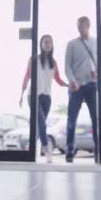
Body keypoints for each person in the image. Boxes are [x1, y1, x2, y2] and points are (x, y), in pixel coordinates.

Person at [20, 34, 68, 163]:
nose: (47, 44)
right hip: (33, 96)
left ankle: (29, 146)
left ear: (52, 45)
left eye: (49, 42)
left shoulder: (54, 62)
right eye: (45, 42)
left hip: (47, 98)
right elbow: (26, 76)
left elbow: (57, 79)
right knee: (42, 123)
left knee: (38, 126)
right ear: (41, 44)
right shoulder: (34, 59)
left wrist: (68, 85)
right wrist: (21, 94)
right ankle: (46, 150)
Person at [64, 16, 101, 163]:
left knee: (96, 119)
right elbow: (67, 66)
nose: (80, 29)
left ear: (88, 25)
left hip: (92, 85)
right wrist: (73, 82)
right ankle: (69, 150)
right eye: (78, 26)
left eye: (82, 26)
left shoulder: (97, 43)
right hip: (76, 87)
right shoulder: (72, 44)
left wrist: (97, 72)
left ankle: (99, 151)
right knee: (71, 120)